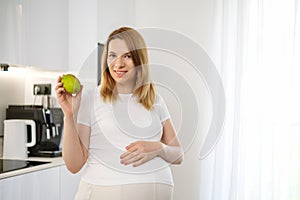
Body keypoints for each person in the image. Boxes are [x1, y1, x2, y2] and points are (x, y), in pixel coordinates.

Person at [55, 27, 183, 200]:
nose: (118, 63)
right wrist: (69, 115)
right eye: (112, 55)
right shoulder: (91, 98)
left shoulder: (154, 99)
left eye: (127, 56)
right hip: (103, 189)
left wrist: (158, 148)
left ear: (139, 60)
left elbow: (177, 155)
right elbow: (74, 164)